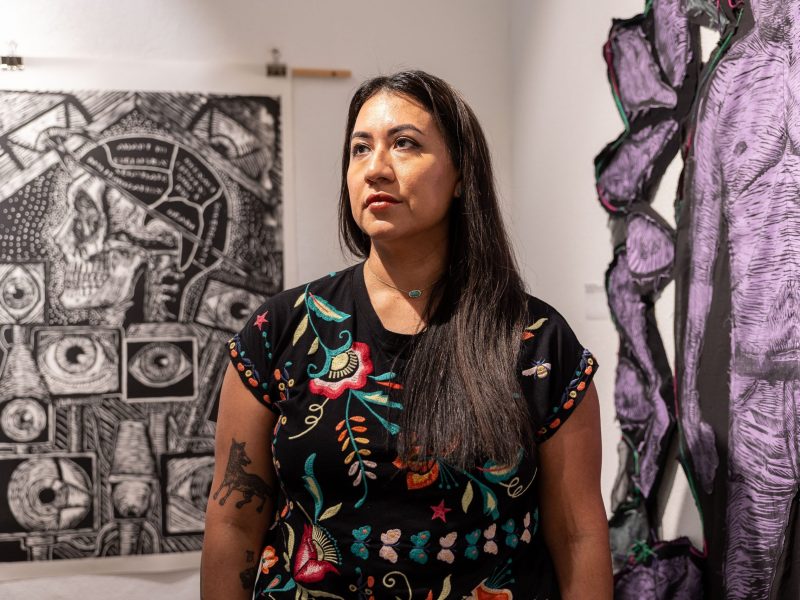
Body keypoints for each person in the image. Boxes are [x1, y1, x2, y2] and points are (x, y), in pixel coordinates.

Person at [201, 70, 612, 599]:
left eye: (405, 144)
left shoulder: (534, 341)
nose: (375, 168)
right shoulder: (280, 330)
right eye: (359, 148)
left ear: (462, 174)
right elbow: (234, 523)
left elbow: (577, 534)